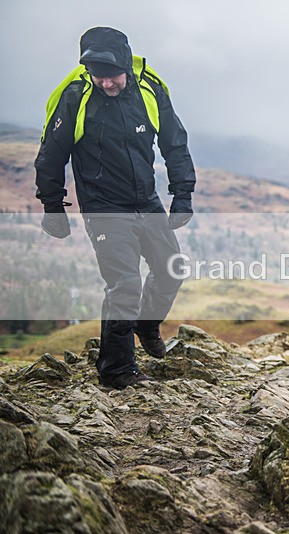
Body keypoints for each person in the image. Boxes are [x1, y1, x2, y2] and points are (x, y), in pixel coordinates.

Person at [34, 27, 196, 389]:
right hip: (103, 206)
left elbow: (174, 142)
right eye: (98, 76)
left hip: (146, 200)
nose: (106, 83)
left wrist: (183, 194)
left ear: (126, 65)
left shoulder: (150, 87)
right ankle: (117, 370)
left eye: (112, 75)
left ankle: (146, 323)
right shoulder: (74, 95)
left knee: (172, 269)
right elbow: (51, 155)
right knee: (124, 283)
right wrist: (52, 206)